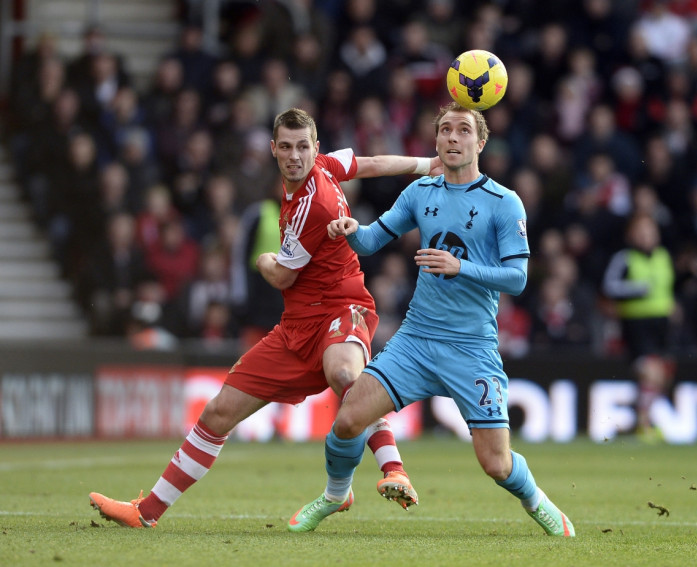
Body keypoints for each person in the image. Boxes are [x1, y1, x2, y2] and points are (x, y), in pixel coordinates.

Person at [89, 107, 441, 528]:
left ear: (315, 147)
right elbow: (371, 163)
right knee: (218, 412)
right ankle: (146, 513)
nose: (296, 156)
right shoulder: (325, 166)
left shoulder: (317, 204)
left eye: (303, 147)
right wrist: (426, 164)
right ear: (274, 150)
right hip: (296, 327)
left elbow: (282, 274)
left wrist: (262, 258)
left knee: (346, 375)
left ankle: (393, 470)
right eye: (288, 147)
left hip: (341, 308)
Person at [288, 102, 575, 537]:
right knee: (348, 418)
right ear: (436, 141)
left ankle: (537, 501)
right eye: (445, 130)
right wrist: (350, 229)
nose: (453, 138)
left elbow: (517, 279)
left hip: (471, 347)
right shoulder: (421, 192)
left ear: (480, 142)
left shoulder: (504, 202)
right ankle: (334, 495)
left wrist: (461, 268)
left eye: (463, 131)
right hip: (417, 339)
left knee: (495, 464)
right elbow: (370, 242)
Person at [602, 212, 676, 440]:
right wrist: (638, 289)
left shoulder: (664, 257)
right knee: (650, 372)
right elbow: (610, 286)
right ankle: (644, 424)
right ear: (632, 235)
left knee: (662, 375)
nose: (646, 236)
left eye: (649, 231)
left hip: (661, 325)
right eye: (641, 231)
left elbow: (668, 289)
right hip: (636, 325)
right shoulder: (624, 258)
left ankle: (643, 420)